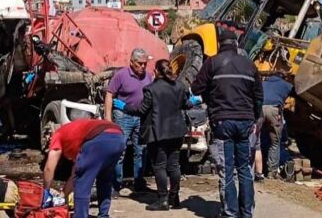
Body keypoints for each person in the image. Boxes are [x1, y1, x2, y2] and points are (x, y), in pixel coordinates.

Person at [191, 25, 263, 218]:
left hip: (222, 122)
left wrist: (210, 94)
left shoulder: (212, 63)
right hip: (246, 122)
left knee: (227, 170)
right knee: (245, 170)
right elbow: (258, 96)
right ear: (236, 44)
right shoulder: (249, 65)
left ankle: (230, 213)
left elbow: (196, 88)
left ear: (219, 45)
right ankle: (246, 213)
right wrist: (255, 118)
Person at [114, 59, 191, 211]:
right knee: (174, 165)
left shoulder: (151, 89)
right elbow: (185, 104)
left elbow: (142, 110)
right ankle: (174, 198)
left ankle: (162, 199)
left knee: (160, 166)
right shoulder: (180, 86)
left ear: (157, 71)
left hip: (159, 132)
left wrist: (125, 107)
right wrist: (193, 101)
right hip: (177, 132)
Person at [43, 119, 125, 218]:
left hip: (99, 138)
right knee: (104, 179)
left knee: (82, 183)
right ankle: (103, 215)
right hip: (119, 138)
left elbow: (49, 168)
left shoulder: (58, 134)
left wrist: (46, 192)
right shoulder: (74, 134)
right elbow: (74, 174)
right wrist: (62, 196)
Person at [104, 48, 152, 196]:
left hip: (141, 117)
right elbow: (109, 95)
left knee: (141, 151)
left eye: (145, 64)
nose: (143, 67)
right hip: (123, 116)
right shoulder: (121, 76)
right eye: (140, 64)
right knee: (119, 151)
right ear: (132, 62)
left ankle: (139, 182)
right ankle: (116, 185)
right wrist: (108, 118)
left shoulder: (149, 76)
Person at [257, 73, 292, 179]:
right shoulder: (286, 84)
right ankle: (272, 173)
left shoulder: (262, 83)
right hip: (274, 110)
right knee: (275, 142)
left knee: (255, 142)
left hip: (260, 109)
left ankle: (255, 169)